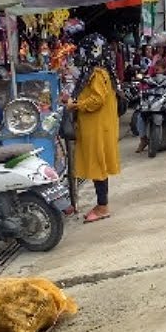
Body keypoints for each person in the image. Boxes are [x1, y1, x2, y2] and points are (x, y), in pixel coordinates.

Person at [68, 32, 121, 223]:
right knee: (98, 165)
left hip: (97, 127)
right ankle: (101, 204)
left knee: (98, 165)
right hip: (98, 126)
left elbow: (97, 99)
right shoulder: (101, 71)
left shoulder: (97, 73)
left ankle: (102, 206)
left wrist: (76, 105)